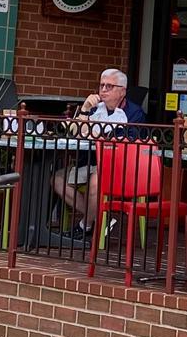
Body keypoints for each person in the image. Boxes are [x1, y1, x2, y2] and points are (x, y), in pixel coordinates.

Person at [52, 67, 145, 231]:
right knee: (58, 180)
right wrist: (85, 108)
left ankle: (85, 226)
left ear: (122, 91)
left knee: (95, 181)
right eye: (101, 85)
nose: (103, 90)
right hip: (89, 162)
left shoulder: (134, 113)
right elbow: (78, 134)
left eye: (109, 86)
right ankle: (102, 218)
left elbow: (130, 145)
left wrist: (100, 137)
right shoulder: (96, 108)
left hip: (118, 167)